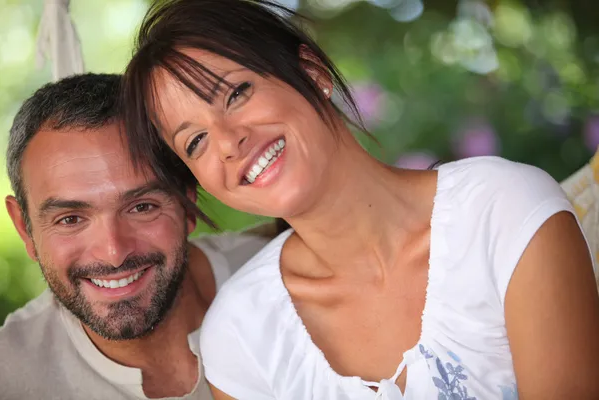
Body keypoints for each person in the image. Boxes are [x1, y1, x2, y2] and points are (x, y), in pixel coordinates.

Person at [120, 1, 599, 399]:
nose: (228, 141)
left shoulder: (503, 210)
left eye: (236, 93)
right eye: (195, 142)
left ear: (311, 72)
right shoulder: (241, 335)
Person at [0, 73, 272, 400]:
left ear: (187, 202)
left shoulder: (278, 284)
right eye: (70, 219)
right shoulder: (9, 376)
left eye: (142, 207)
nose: (114, 253)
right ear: (24, 227)